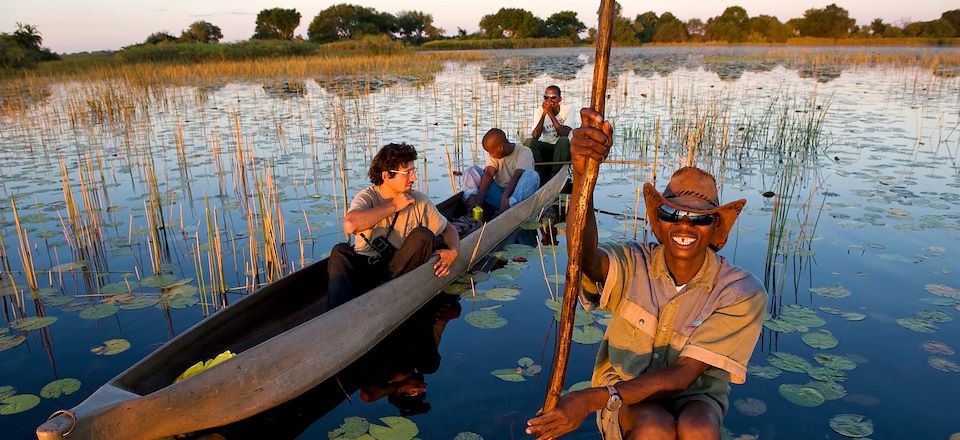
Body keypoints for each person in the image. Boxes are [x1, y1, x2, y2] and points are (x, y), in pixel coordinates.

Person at [526, 109, 767, 440]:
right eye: (673, 213)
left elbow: (684, 375)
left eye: (700, 218)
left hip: (694, 396)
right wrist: (583, 177)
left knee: (699, 429)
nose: (684, 225)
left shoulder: (742, 292)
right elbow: (585, 259)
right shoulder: (633, 261)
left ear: (715, 232)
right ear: (660, 222)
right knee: (654, 427)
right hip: (624, 388)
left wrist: (587, 400)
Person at [326, 143, 459, 311]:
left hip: (397, 268)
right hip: (366, 268)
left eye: (413, 171)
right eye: (407, 173)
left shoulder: (419, 200)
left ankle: (383, 296)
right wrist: (394, 206)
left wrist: (454, 252)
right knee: (340, 251)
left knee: (423, 235)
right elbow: (350, 224)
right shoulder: (368, 197)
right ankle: (336, 315)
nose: (413, 178)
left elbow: (449, 229)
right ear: (387, 175)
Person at [463, 128, 540, 214]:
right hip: (498, 195)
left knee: (532, 175)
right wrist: (480, 196)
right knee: (472, 170)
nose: (490, 155)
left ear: (500, 147)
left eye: (491, 152)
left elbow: (517, 175)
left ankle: (508, 210)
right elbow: (488, 173)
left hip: (514, 198)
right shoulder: (496, 155)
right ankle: (472, 202)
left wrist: (505, 197)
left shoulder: (524, 151)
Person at [526, 85, 574, 182]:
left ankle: (555, 176)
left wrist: (551, 114)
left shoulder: (568, 109)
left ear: (560, 99)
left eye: (553, 97)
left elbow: (564, 133)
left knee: (563, 141)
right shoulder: (539, 111)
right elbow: (535, 136)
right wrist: (544, 114)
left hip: (563, 150)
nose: (549, 100)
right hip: (547, 147)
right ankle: (539, 173)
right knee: (529, 142)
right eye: (546, 97)